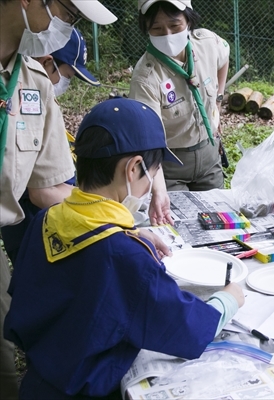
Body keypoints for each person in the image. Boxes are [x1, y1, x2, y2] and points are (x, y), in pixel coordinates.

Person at [3, 97, 245, 399]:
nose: (149, 186)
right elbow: (188, 329)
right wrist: (228, 300)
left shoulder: (45, 220)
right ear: (133, 169)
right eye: (154, 172)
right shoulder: (124, 255)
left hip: (39, 382)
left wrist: (126, 232)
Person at [0, 0, 116, 397]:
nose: (67, 26)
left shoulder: (32, 82)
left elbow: (45, 184)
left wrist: (115, 215)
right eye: (69, 13)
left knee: (6, 372)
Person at [1, 27, 100, 265]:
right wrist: (101, 210)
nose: (64, 83)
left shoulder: (38, 93)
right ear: (47, 63)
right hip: (31, 223)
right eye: (67, 76)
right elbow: (43, 191)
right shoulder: (24, 90)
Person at [129, 0, 229, 196]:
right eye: (157, 28)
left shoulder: (207, 43)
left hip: (209, 157)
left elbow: (223, 59)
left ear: (188, 21)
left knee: (219, 219)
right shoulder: (146, 77)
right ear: (146, 29)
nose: (167, 35)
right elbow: (149, 141)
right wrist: (159, 192)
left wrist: (217, 100)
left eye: (175, 26)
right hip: (170, 167)